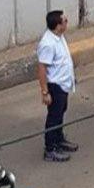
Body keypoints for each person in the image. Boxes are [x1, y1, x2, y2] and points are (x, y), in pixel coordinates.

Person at [37, 10, 78, 162]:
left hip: (64, 83)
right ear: (58, 25)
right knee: (54, 117)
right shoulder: (48, 44)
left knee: (61, 113)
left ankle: (59, 139)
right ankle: (50, 148)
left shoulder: (59, 37)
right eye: (65, 21)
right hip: (55, 86)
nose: (67, 22)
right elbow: (42, 68)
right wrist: (45, 92)